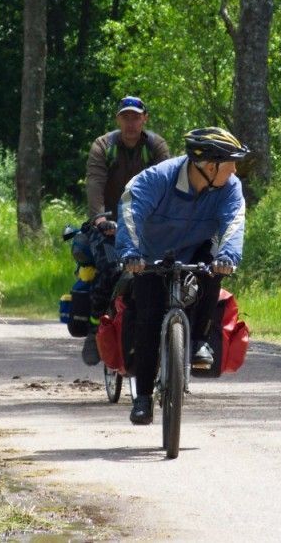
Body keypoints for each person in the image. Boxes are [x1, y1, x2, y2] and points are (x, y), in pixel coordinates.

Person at [116, 127, 248, 425]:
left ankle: (200, 339)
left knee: (214, 267)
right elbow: (130, 208)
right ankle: (143, 398)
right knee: (148, 319)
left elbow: (234, 221)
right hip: (150, 255)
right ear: (210, 165)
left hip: (198, 249)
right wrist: (131, 252)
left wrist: (228, 256)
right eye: (231, 163)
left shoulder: (229, 187)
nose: (235, 169)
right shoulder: (159, 178)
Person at [81, 96, 170, 365]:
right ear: (118, 119)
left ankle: (170, 332)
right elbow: (95, 182)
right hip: (109, 222)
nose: (131, 123)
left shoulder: (156, 146)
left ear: (145, 118)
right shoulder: (103, 145)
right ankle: (94, 329)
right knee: (109, 270)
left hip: (147, 223)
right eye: (125, 117)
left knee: (167, 270)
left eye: (136, 117)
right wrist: (99, 218)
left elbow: (166, 182)